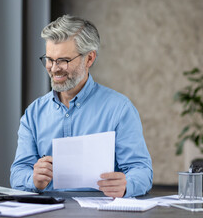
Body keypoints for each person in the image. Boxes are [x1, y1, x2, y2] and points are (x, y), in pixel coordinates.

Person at [10, 15, 152, 198]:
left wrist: (126, 185)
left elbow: (141, 170)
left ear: (89, 58)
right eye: (49, 59)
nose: (53, 68)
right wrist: (33, 179)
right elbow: (18, 172)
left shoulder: (120, 109)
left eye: (63, 60)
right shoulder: (34, 113)